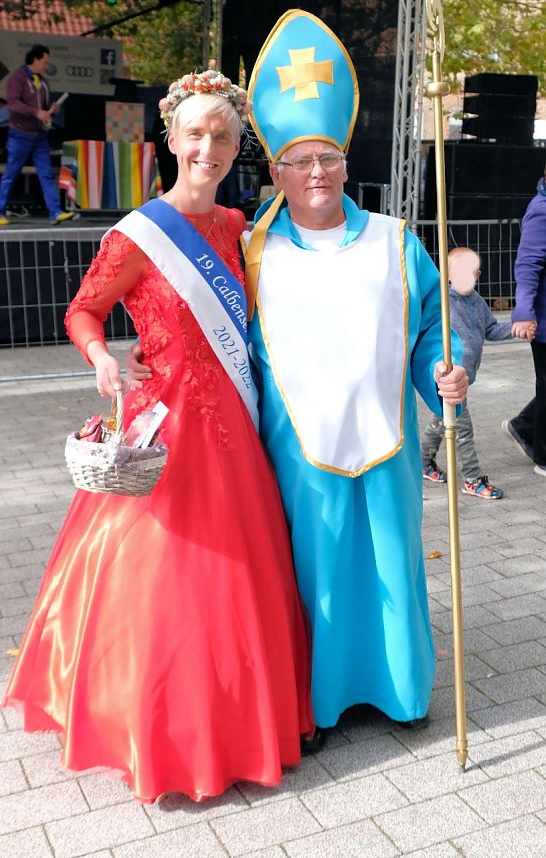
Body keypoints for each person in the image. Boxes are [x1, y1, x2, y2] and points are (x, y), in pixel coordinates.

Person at [2, 69, 314, 804]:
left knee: (243, 568)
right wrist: (104, 356)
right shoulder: (138, 234)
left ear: (236, 147)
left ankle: (242, 718)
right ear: (171, 140)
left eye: (223, 136)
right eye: (195, 134)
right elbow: (82, 310)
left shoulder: (236, 227)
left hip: (233, 421)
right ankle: (149, 726)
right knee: (157, 572)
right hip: (164, 423)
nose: (209, 148)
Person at [244, 11, 468, 745]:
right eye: (299, 160)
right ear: (277, 171)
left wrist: (446, 371)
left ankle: (401, 692)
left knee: (392, 561)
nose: (316, 172)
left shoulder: (394, 241)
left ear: (345, 164)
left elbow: (430, 327)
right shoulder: (253, 253)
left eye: (328, 158)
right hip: (297, 447)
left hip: (385, 437)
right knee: (316, 571)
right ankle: (317, 704)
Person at [421, 247, 514, 499]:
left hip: (464, 379)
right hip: (448, 377)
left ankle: (423, 462)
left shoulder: (478, 302)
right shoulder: (443, 302)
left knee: (441, 420)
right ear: (448, 275)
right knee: (463, 429)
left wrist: (515, 329)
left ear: (477, 275)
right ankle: (472, 479)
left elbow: (492, 329)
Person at [0, 44, 74, 226]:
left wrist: (51, 108)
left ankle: (55, 211)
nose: (46, 66)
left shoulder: (43, 82)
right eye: (45, 62)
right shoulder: (17, 78)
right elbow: (13, 104)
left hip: (39, 136)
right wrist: (36, 112)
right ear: (35, 60)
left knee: (46, 173)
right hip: (19, 134)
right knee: (11, 173)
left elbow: (44, 106)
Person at [501, 165, 546, 477]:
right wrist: (524, 312)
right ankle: (543, 455)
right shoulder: (541, 210)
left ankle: (524, 426)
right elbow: (527, 264)